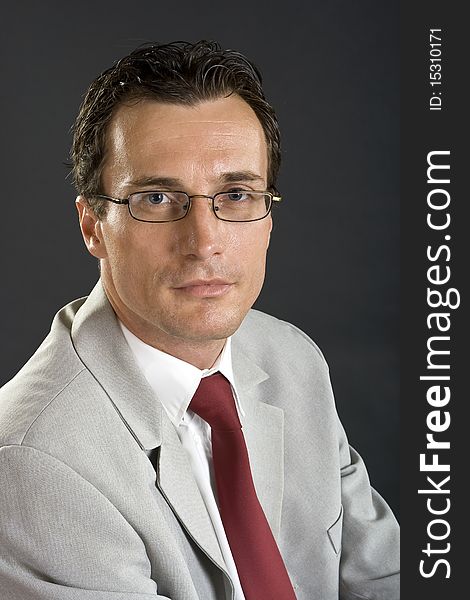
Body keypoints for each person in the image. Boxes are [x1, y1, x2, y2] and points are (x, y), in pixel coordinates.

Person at [0, 41, 399, 600]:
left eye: (235, 194)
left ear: (267, 215)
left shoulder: (291, 357)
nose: (204, 242)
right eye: (159, 197)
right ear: (93, 224)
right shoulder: (33, 462)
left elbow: (384, 577)